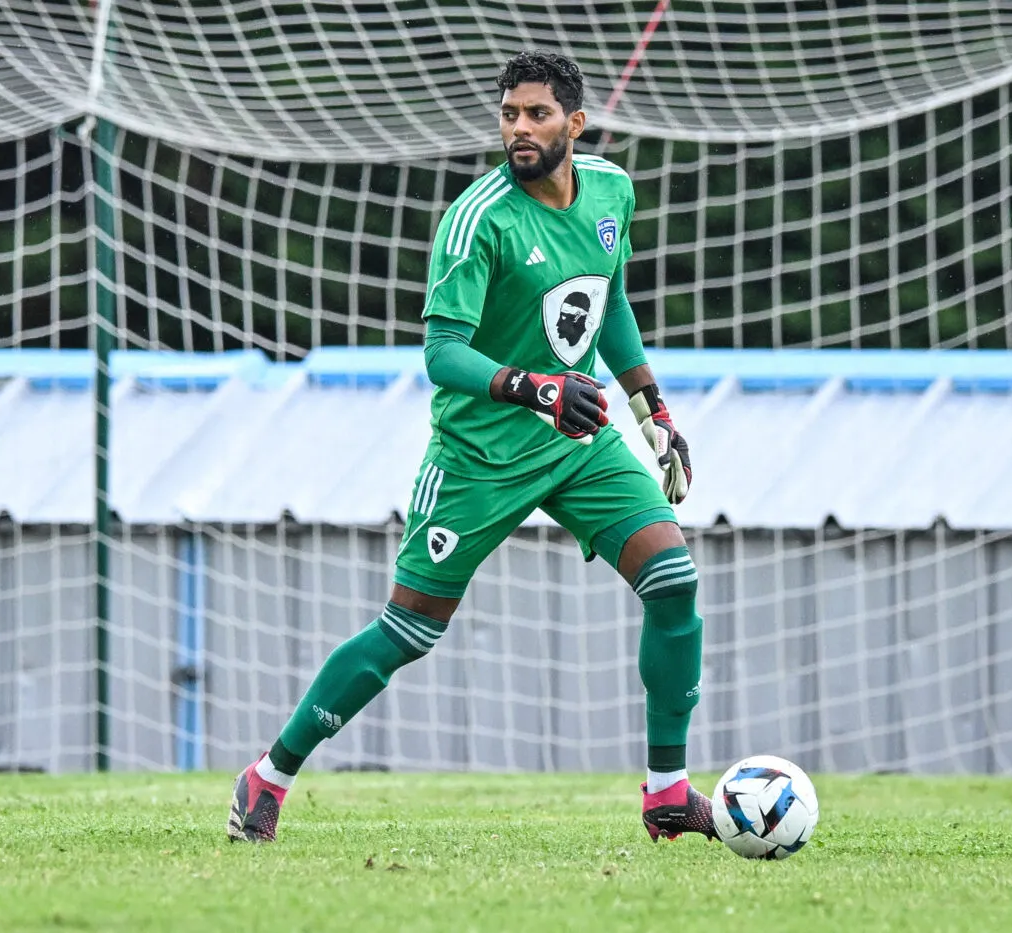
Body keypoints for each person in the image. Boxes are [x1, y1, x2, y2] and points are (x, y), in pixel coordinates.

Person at [228, 49, 711, 844]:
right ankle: (268, 774)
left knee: (673, 580)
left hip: (578, 439)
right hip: (479, 455)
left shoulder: (613, 192)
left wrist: (648, 402)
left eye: (537, 114)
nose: (520, 128)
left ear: (575, 124)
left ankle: (666, 794)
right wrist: (540, 386)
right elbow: (442, 355)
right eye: (510, 114)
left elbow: (607, 296)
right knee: (407, 632)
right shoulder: (478, 218)